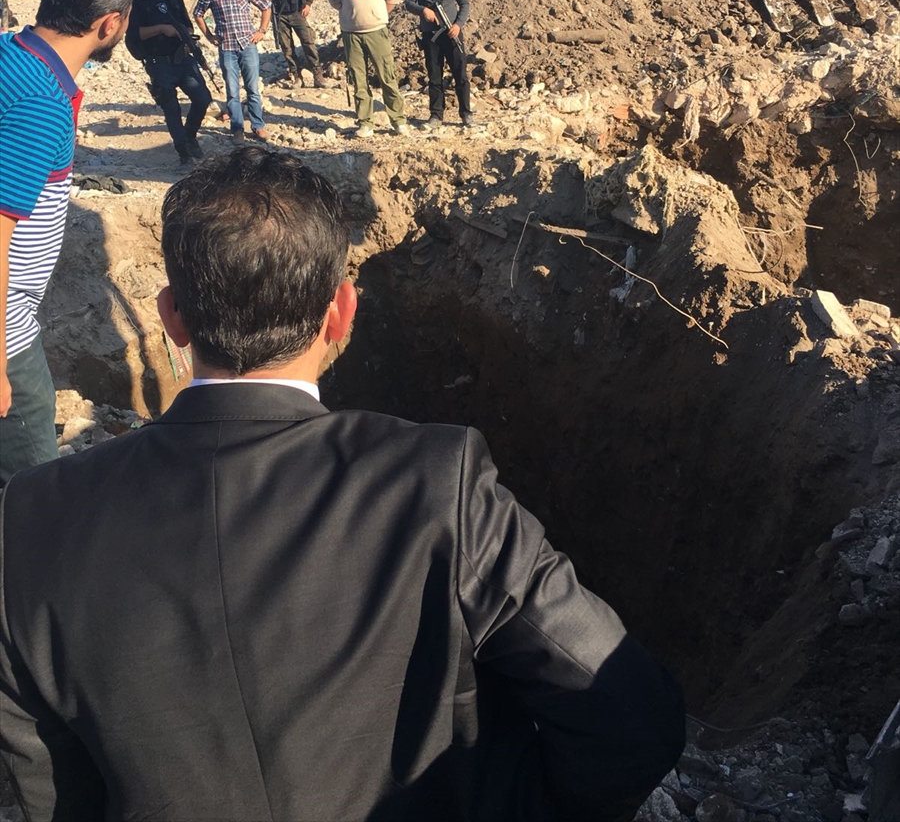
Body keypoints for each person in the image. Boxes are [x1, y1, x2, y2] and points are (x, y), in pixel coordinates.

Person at [0, 145, 685, 821]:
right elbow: (629, 722)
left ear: (171, 316)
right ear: (341, 311)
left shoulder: (26, 522)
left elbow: (48, 789)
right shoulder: (436, 482)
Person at [0, 0, 132, 485]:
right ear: (108, 25)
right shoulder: (39, 104)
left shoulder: (14, 56)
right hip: (6, 328)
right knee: (32, 481)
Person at [127, 0, 212, 164]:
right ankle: (183, 150)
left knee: (202, 98)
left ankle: (190, 136)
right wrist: (162, 29)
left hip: (182, 58)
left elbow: (188, 24)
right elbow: (135, 33)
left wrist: (185, 37)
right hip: (158, 61)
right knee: (171, 107)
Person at [328, 0, 408, 137]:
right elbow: (335, 0)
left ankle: (398, 121)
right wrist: (351, 15)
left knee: (387, 75)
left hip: (377, 32)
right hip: (351, 35)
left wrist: (379, 15)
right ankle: (365, 123)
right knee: (358, 79)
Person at [194, 0, 271, 143]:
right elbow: (198, 13)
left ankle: (258, 126)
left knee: (253, 88)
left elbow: (265, 7)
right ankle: (237, 129)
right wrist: (209, 35)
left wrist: (261, 30)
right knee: (232, 91)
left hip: (248, 45)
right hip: (226, 48)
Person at [406, 0, 474, 129]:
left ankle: (466, 113)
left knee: (460, 74)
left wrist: (458, 25)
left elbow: (464, 3)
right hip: (431, 36)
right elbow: (408, 3)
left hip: (452, 34)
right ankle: (436, 115)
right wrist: (423, 11)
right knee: (434, 76)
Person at [262, 0, 325, 89]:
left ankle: (318, 75)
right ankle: (296, 76)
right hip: (281, 16)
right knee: (287, 48)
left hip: (298, 13)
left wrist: (308, 4)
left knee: (308, 43)